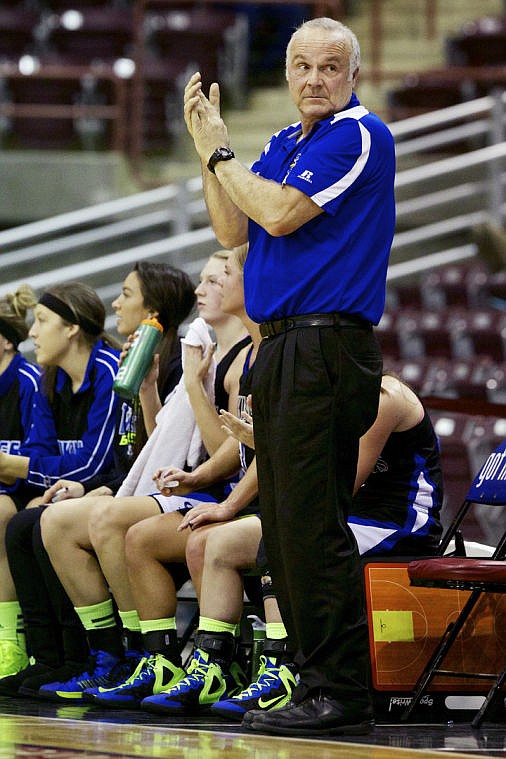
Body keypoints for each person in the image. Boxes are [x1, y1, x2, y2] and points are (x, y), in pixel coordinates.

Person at [183, 16, 396, 735]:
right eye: (301, 66)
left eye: (329, 67)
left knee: (310, 528)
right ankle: (312, 683)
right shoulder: (281, 143)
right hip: (280, 348)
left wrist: (222, 155)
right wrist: (207, 153)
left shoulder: (357, 134)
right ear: (287, 73)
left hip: (324, 346)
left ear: (353, 76)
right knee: (283, 531)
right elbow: (230, 229)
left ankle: (342, 691)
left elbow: (272, 213)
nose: (314, 80)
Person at [34, 248, 253, 703]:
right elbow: (157, 448)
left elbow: (226, 454)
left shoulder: (232, 358)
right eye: (202, 280)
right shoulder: (203, 347)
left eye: (216, 279)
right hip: (198, 489)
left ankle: (148, 652)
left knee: (113, 521)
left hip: (223, 493)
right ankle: (116, 651)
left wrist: (193, 385)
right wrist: (151, 390)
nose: (200, 289)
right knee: (54, 523)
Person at [179, 372, 444, 720]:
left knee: (286, 537)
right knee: (219, 543)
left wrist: (270, 445)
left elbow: (338, 484)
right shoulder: (326, 399)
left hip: (400, 522)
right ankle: (212, 667)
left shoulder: (383, 398)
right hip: (349, 516)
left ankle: (282, 667)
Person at [0, 264, 196, 695]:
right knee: (25, 524)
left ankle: (112, 653)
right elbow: (48, 453)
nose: (116, 302)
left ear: (71, 329)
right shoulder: (51, 379)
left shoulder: (123, 367)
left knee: (42, 523)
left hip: (164, 494)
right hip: (118, 487)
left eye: (126, 293)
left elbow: (105, 459)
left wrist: (53, 478)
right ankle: (55, 656)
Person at [0, 284, 42, 678]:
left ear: (8, 343)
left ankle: (9, 642)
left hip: (23, 492)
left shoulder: (28, 382)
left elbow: (36, 459)